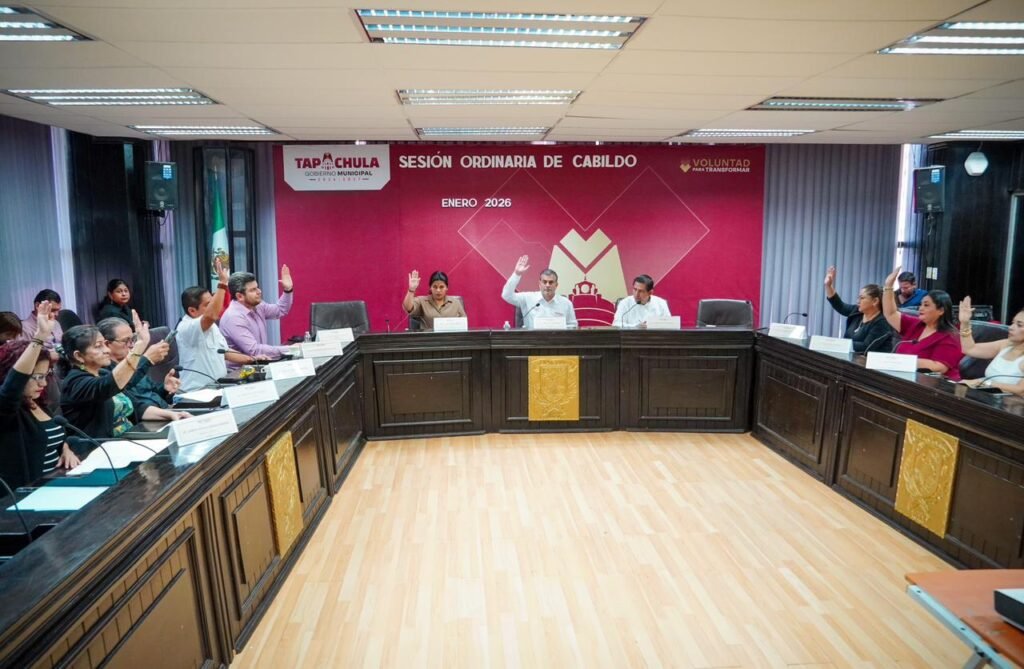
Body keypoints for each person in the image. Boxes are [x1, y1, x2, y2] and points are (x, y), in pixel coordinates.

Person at [0, 301, 80, 489]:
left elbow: (49, 435)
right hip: (25, 496)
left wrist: (64, 448)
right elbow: (13, 385)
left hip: (56, 485)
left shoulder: (37, 402)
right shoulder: (6, 409)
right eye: (36, 377)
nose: (43, 384)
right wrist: (40, 337)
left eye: (45, 376)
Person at [59, 321, 169, 438]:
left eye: (105, 344)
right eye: (98, 346)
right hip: (98, 446)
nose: (107, 350)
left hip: (128, 437)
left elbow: (138, 407)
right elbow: (109, 384)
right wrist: (141, 350)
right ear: (78, 356)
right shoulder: (75, 383)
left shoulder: (102, 373)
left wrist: (172, 415)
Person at [178, 258, 260, 391]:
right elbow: (211, 315)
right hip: (196, 393)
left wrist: (253, 359)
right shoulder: (186, 327)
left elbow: (225, 352)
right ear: (192, 311)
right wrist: (222, 284)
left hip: (218, 387)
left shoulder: (211, 326)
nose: (213, 306)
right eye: (208, 304)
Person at [98, 317, 189, 421]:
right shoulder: (105, 373)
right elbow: (135, 406)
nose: (132, 345)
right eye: (126, 341)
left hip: (165, 412)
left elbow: (150, 391)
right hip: (146, 421)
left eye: (133, 339)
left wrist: (165, 388)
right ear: (107, 344)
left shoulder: (134, 361)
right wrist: (147, 359)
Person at [881, 266, 963, 380]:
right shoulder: (916, 324)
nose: (920, 308)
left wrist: (902, 361)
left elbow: (939, 367)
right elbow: (890, 313)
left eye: (926, 305)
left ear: (941, 310)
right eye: (921, 304)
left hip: (935, 385)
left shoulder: (951, 336)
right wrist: (888, 286)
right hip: (905, 378)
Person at [220, 265, 294, 369]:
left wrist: (288, 289)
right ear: (240, 296)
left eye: (257, 287)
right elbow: (254, 350)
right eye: (253, 290)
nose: (259, 291)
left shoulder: (258, 306)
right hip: (239, 373)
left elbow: (280, 310)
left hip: (259, 366)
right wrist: (290, 349)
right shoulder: (233, 317)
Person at [958, 297, 1024, 395]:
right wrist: (965, 323)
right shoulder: (1006, 344)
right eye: (1012, 323)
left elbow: (1020, 389)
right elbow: (969, 349)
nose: (1011, 327)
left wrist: (984, 383)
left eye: (1019, 325)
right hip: (987, 398)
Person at [823, 266, 893, 353]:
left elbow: (866, 346)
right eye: (858, 297)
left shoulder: (882, 322)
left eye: (862, 298)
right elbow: (840, 306)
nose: (858, 301)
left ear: (875, 301)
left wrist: (839, 344)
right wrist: (828, 286)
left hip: (867, 360)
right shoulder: (857, 311)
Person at [501, 255, 578, 329]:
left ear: (556, 285)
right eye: (544, 282)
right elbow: (507, 295)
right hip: (533, 338)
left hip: (558, 338)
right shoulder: (527, 298)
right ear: (539, 284)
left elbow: (573, 326)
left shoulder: (566, 303)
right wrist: (517, 274)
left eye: (551, 282)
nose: (547, 285)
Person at [18, 289, 63, 355]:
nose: (57, 314)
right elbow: (25, 357)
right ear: (37, 306)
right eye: (52, 310)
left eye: (58, 310)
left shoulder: (56, 323)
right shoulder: (24, 329)